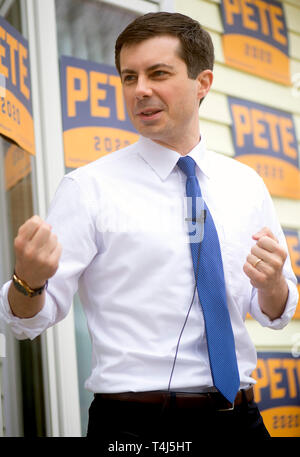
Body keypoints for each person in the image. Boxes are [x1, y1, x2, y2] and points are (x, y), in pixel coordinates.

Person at [0, 12, 298, 446]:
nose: (140, 90)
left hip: (242, 418)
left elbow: (276, 313)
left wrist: (272, 284)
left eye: (158, 73)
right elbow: (26, 322)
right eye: (128, 77)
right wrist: (28, 280)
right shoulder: (88, 188)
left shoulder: (247, 184)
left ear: (203, 83)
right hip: (136, 423)